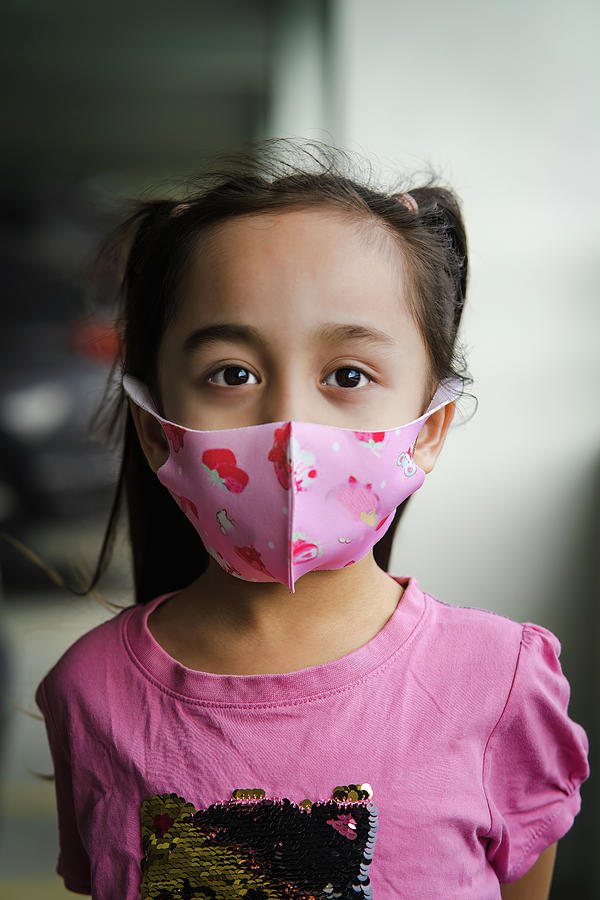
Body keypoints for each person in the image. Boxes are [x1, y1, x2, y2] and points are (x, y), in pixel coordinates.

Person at [35, 142, 589, 899]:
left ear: (427, 426)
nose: (291, 424)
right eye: (233, 374)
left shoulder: (502, 679)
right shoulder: (88, 690)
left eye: (348, 375)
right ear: (157, 426)